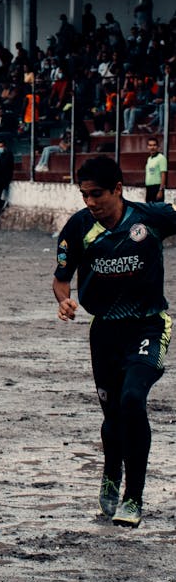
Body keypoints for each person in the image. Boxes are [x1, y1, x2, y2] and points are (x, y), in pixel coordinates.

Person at [53, 155, 176, 528]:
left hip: (149, 326)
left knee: (133, 400)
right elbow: (61, 278)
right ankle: (110, 472)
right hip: (104, 331)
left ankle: (133, 498)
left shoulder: (151, 218)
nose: (91, 202)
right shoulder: (77, 228)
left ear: (119, 189)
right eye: (84, 195)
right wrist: (65, 302)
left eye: (98, 194)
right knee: (112, 415)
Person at [144, 137, 168, 202]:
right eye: (150, 145)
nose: (152, 147)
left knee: (157, 210)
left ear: (158, 147)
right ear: (147, 147)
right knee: (149, 210)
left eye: (154, 145)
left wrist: (160, 190)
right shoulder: (149, 159)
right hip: (149, 188)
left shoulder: (161, 158)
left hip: (157, 188)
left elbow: (163, 174)